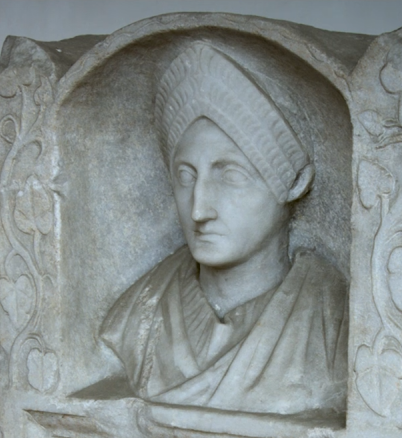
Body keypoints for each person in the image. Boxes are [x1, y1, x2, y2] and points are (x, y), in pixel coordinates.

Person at [99, 42, 348, 415]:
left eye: (230, 175)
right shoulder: (136, 317)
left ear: (294, 183)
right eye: (186, 176)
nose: (198, 210)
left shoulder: (335, 322)